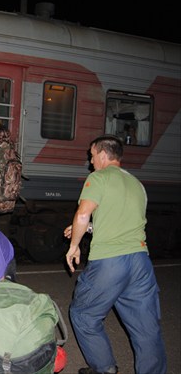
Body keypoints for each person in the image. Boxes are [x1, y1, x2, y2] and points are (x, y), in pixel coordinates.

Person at [64, 135, 166, 374]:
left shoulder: (98, 178)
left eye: (92, 156)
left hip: (110, 262)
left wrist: (74, 245)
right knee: (146, 327)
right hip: (140, 261)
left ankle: (104, 368)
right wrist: (87, 228)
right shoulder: (136, 184)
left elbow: (82, 214)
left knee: (83, 314)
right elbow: (119, 221)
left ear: (102, 154)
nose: (90, 162)